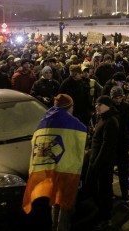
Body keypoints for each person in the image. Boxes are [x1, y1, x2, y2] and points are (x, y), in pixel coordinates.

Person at [22, 94, 87, 231]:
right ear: (69, 106)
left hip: (50, 167)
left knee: (55, 200)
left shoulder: (45, 119)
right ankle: (62, 227)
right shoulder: (72, 122)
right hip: (66, 168)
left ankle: (54, 225)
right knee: (65, 201)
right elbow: (81, 137)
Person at [85, 95, 119, 230]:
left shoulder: (111, 121)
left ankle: (105, 218)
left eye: (100, 104)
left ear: (108, 106)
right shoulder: (102, 118)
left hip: (102, 164)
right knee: (96, 190)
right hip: (96, 161)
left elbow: (106, 146)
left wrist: (96, 164)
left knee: (103, 191)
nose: (96, 106)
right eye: (96, 104)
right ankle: (101, 214)